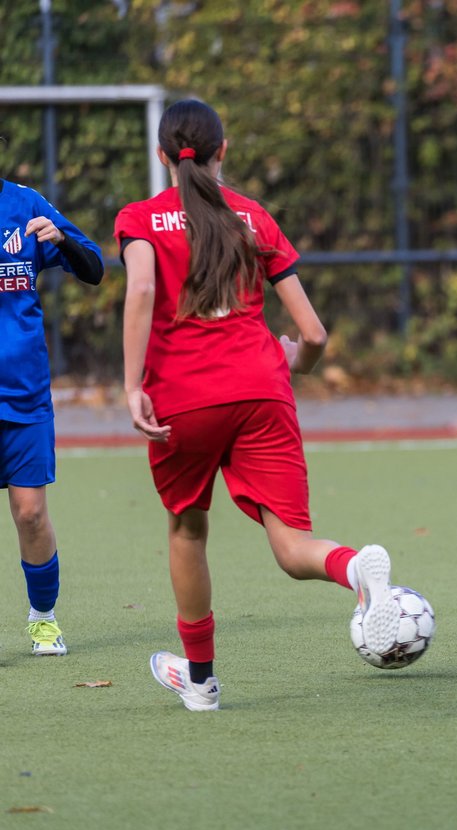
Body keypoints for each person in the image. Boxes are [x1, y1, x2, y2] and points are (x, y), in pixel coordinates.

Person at [114, 99, 400, 711]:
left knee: (188, 530)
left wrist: (132, 383)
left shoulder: (141, 218)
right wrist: (296, 364)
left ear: (162, 155)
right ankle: (356, 572)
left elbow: (140, 288)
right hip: (263, 391)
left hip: (183, 399)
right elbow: (315, 334)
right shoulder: (253, 217)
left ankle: (202, 682)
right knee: (293, 546)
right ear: (224, 152)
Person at [1, 169, 104, 655]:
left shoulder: (25, 205)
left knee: (31, 514)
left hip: (23, 392)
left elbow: (94, 267)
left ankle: (43, 620)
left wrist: (61, 237)